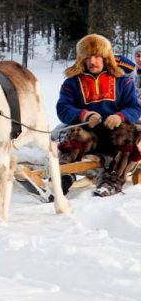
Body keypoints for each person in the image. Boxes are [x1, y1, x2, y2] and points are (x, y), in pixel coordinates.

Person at [56, 33, 141, 197]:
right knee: (74, 134)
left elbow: (135, 107)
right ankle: (63, 177)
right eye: (87, 57)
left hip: (116, 135)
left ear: (105, 57)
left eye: (96, 56)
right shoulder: (72, 82)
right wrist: (84, 115)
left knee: (128, 133)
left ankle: (112, 181)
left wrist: (120, 116)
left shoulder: (122, 80)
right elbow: (62, 108)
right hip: (89, 135)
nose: (92, 61)